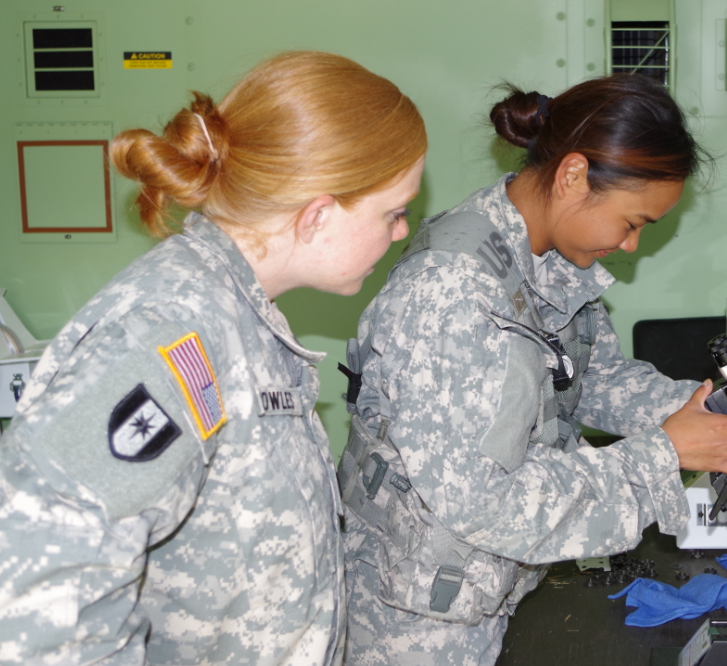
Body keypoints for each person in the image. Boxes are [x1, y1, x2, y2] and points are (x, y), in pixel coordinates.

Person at [339, 73, 727, 664]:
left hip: (479, 586)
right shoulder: (451, 292)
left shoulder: (546, 260)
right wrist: (666, 454)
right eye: (632, 223)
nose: (629, 247)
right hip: (411, 617)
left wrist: (724, 420)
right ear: (574, 176)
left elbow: (593, 379)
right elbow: (482, 503)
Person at [0, 51, 425, 665]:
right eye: (393, 211)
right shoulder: (172, 333)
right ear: (317, 216)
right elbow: (33, 590)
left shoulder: (238, 311)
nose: (401, 231)